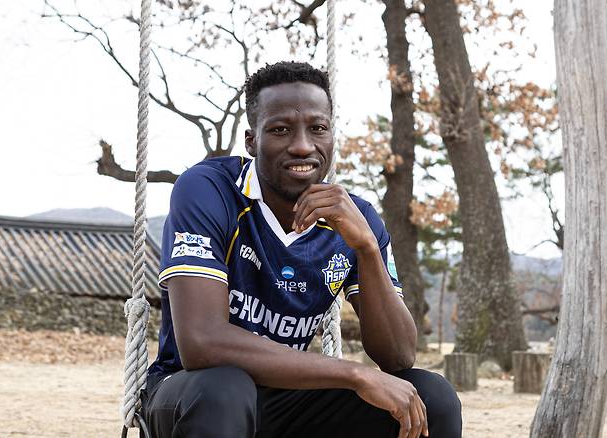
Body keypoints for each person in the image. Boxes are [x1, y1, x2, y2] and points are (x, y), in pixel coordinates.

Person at [144, 61, 462, 438]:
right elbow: (202, 341)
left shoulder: (355, 218)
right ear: (252, 141)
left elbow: (398, 356)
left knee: (432, 397)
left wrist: (366, 249)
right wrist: (354, 373)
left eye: (318, 128)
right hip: (192, 392)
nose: (302, 146)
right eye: (280, 130)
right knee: (225, 390)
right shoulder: (209, 189)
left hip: (289, 398)